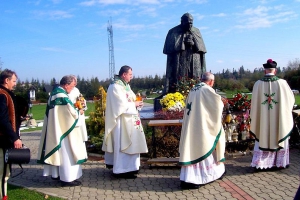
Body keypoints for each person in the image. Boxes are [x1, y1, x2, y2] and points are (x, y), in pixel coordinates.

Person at [37, 75, 87, 187]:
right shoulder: (61, 95)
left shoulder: (57, 93)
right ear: (66, 84)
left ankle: (65, 177)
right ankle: (67, 179)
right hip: (65, 131)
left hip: (60, 128)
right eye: (72, 85)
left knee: (65, 154)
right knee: (67, 154)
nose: (73, 88)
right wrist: (79, 112)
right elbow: (70, 113)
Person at [178, 72, 226, 189]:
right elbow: (216, 105)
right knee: (203, 147)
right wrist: (222, 102)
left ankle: (187, 178)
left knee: (192, 149)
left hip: (192, 124)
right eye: (213, 82)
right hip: (201, 126)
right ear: (211, 81)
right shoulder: (207, 90)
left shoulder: (194, 88)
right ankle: (198, 179)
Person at [102, 65, 148, 179]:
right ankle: (122, 170)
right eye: (130, 75)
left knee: (132, 144)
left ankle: (132, 167)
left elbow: (131, 99)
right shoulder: (115, 87)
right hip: (121, 123)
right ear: (124, 74)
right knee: (123, 145)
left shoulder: (125, 86)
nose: (131, 77)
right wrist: (134, 105)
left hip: (130, 121)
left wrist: (138, 103)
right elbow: (120, 105)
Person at [250, 59, 295, 169]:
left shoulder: (257, 84)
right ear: (275, 71)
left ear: (265, 71)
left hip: (262, 121)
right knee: (280, 131)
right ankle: (280, 163)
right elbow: (291, 100)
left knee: (262, 136)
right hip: (279, 119)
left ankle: (260, 164)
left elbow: (254, 104)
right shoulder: (282, 83)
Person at [163, 12, 207, 93]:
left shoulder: (196, 31)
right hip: (180, 60)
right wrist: (182, 43)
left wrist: (194, 44)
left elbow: (202, 48)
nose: (190, 25)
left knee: (195, 80)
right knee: (179, 79)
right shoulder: (173, 32)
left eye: (191, 23)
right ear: (182, 22)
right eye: (187, 23)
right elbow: (168, 49)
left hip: (194, 59)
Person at [0, 69, 23, 200]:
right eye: (14, 81)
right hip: (2, 140)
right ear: (6, 80)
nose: (15, 84)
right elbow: (2, 119)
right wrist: (14, 137)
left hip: (4, 139)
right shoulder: (2, 94)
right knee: (3, 173)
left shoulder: (5, 94)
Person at [68, 76, 88, 142]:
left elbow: (81, 98)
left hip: (80, 113)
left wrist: (83, 105)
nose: (75, 84)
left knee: (81, 132)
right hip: (73, 113)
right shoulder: (68, 90)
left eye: (76, 82)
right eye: (74, 82)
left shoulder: (76, 90)